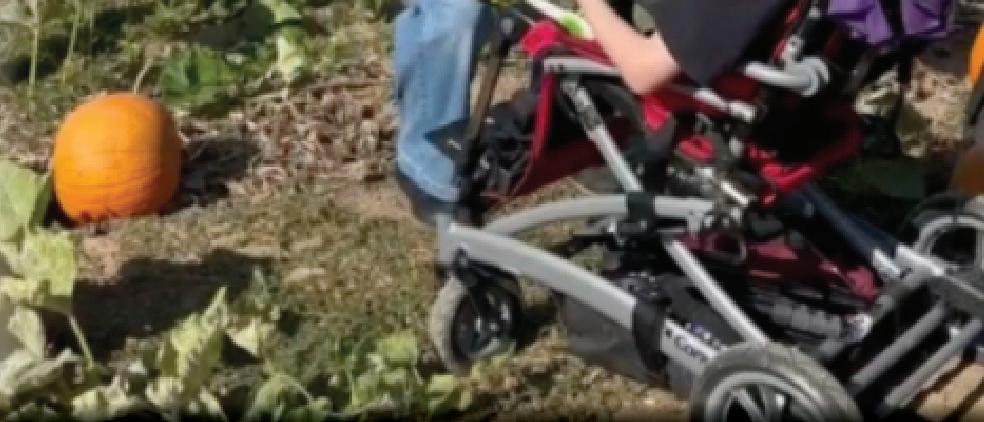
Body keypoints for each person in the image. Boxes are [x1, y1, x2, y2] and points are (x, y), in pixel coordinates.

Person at [393, 0, 785, 226]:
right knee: (452, 13)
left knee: (453, 11)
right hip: (744, 82)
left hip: (672, 69)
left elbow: (644, 71)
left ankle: (431, 174)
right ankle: (430, 169)